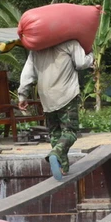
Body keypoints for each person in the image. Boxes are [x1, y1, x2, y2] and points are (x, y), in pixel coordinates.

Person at [17, 39, 94, 180]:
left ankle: (62, 168)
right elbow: (82, 63)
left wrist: (22, 95)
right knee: (70, 132)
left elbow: (28, 73)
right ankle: (55, 154)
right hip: (66, 95)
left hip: (46, 98)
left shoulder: (36, 47)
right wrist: (91, 56)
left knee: (55, 133)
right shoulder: (70, 43)